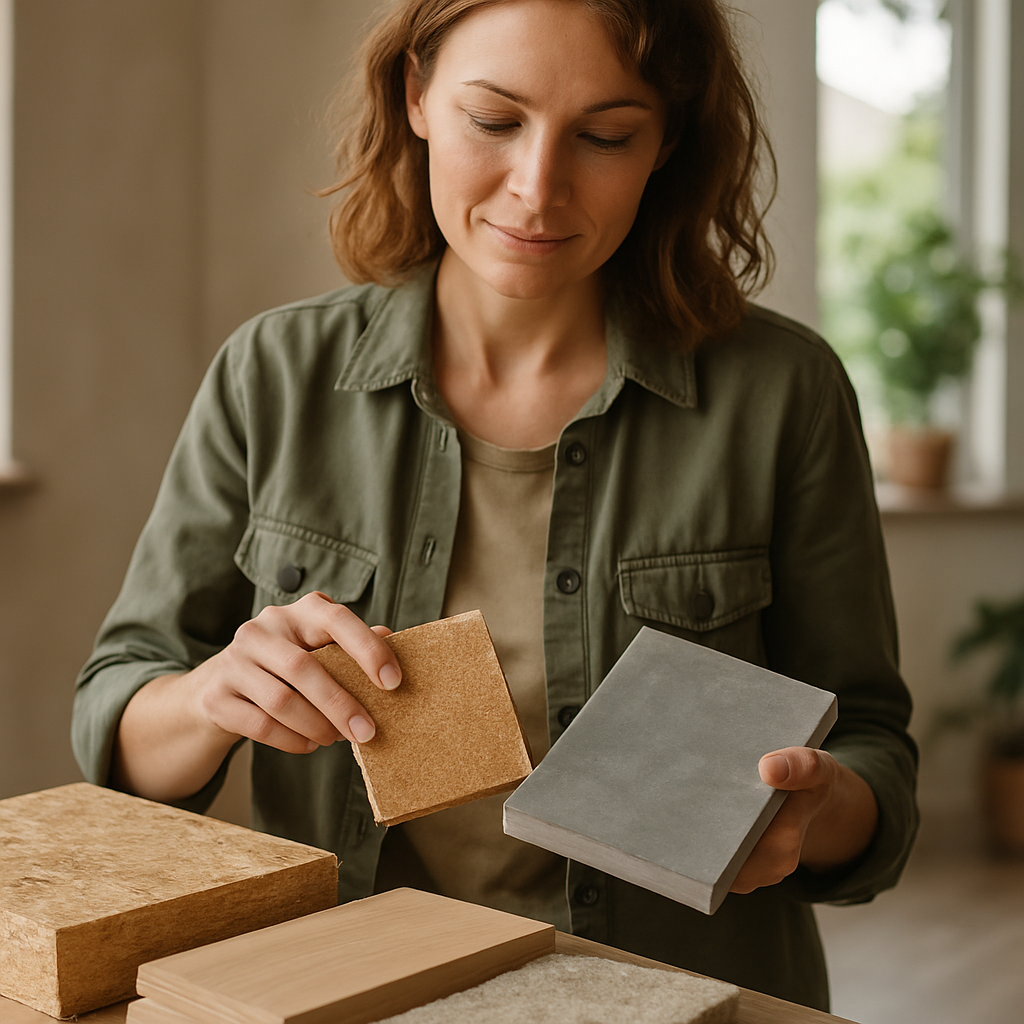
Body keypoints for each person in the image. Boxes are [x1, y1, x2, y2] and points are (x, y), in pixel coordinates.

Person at [72, 0, 918, 1011]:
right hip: (344, 989)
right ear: (418, 95)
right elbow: (116, 712)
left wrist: (818, 811)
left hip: (680, 993)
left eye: (605, 135)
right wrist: (212, 696)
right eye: (494, 120)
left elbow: (869, 744)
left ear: (666, 142)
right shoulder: (273, 374)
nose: (537, 187)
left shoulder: (782, 390)